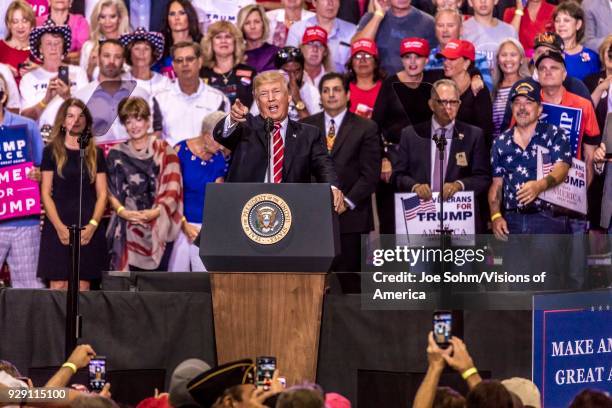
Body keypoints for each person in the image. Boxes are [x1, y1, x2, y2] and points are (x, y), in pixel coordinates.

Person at [213, 70, 344, 211]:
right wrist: (232, 119)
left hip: (292, 211)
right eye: (264, 94)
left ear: (288, 97)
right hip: (245, 209)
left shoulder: (308, 134)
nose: (271, 98)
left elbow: (324, 167)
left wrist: (332, 188)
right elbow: (221, 135)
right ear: (257, 101)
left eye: (276, 92)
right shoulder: (245, 126)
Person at [489, 78, 571, 288]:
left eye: (529, 102)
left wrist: (540, 185)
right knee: (517, 289)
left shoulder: (554, 134)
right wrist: (496, 216)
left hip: (548, 219)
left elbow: (562, 169)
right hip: (513, 222)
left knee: (550, 285)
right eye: (517, 103)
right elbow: (496, 185)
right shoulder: (500, 142)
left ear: (539, 107)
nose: (522, 108)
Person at [302, 72, 380, 282]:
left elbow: (370, 175)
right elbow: (301, 170)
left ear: (347, 94)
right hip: (313, 218)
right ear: (320, 97)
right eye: (326, 90)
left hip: (352, 220)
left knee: (350, 284)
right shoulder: (306, 127)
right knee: (314, 283)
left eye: (336, 90)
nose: (331, 95)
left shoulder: (366, 127)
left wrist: (346, 202)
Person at [393, 79, 491, 231]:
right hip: (421, 221)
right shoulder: (410, 135)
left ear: (459, 104)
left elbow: (483, 177)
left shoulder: (474, 135)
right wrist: (415, 186)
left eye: (453, 102)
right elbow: (398, 176)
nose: (448, 107)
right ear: (431, 105)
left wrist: (459, 185)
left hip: (460, 222)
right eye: (443, 102)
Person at [38, 98, 108, 290]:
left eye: (80, 116)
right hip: (57, 225)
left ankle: (78, 323)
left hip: (87, 226)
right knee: (58, 285)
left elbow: (102, 194)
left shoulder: (96, 153)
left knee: (82, 287)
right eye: (70, 116)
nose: (75, 120)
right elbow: (45, 193)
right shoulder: (51, 151)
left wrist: (92, 226)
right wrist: (60, 227)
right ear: (63, 120)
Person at [106, 97, 183, 272]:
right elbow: (110, 192)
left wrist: (154, 212)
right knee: (127, 291)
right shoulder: (115, 154)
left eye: (139, 119)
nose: (134, 126)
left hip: (159, 227)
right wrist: (124, 212)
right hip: (126, 229)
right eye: (128, 121)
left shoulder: (165, 150)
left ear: (148, 121)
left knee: (156, 289)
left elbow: (173, 189)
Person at [168, 111, 228, 272]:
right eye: (219, 141)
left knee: (204, 278)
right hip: (180, 224)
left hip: (206, 229)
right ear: (207, 136)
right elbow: (171, 194)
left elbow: (218, 197)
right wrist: (183, 223)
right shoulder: (180, 151)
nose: (222, 146)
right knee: (176, 279)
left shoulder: (219, 158)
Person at [0, 73, 44, 288]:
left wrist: (38, 174)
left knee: (30, 289)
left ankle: (32, 324)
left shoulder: (27, 126)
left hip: (24, 221)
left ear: (4, 96)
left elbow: (43, 169)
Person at [73, 39, 157, 150]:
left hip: (134, 160)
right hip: (96, 161)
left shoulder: (140, 94)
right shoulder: (81, 97)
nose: (111, 61)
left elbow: (151, 134)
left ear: (123, 61)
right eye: (106, 56)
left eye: (117, 57)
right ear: (98, 59)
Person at [155, 41, 230, 148]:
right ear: (174, 66)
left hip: (208, 162)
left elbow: (226, 140)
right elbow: (154, 139)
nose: (185, 64)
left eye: (190, 59)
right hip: (171, 162)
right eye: (179, 60)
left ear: (200, 62)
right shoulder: (159, 98)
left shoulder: (218, 99)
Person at [20, 22, 88, 127]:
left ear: (63, 47)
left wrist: (67, 97)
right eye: (48, 43)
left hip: (73, 135)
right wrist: (46, 100)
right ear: (40, 49)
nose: (53, 47)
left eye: (57, 43)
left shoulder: (78, 73)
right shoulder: (29, 79)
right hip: (43, 137)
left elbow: (88, 113)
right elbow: (24, 119)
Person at [353, 0, 436, 76]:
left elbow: (434, 61)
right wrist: (378, 16)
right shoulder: (371, 18)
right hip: (377, 84)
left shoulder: (428, 23)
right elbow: (357, 47)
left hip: (412, 85)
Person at [437, 39, 494, 148]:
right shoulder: (439, 82)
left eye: (452, 58)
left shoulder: (479, 90)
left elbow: (485, 132)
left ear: (466, 63)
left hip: (472, 153)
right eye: (445, 58)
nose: (445, 62)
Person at [426, 8, 492, 90]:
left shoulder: (478, 59)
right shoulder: (427, 58)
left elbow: (487, 92)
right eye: (440, 25)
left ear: (461, 30)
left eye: (450, 25)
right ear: (435, 30)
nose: (445, 30)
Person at [286, 0, 357, 73]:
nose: (330, 3)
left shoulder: (353, 31)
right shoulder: (298, 29)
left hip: (342, 81)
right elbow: (290, 64)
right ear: (314, 3)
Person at [200, 21, 257, 108]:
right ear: (210, 43)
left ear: (235, 42)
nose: (223, 41)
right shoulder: (201, 73)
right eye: (218, 37)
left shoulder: (250, 72)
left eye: (228, 36)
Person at [462, 0, 517, 76]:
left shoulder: (510, 31)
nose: (483, 1)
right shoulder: (462, 30)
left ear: (495, 1)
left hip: (504, 86)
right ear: (470, 2)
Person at [79, 0, 130, 81]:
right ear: (98, 19)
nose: (107, 22)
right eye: (102, 17)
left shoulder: (129, 46)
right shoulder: (88, 47)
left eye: (112, 16)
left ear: (120, 18)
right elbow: (82, 83)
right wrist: (91, 67)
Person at [492, 38, 530, 138]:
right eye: (504, 55)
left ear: (521, 59)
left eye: (513, 55)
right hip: (494, 148)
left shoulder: (529, 86)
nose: (508, 59)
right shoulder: (492, 89)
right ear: (498, 60)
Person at [553, 1, 600, 81]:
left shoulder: (592, 57)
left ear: (578, 24)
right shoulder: (547, 53)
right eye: (557, 21)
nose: (561, 24)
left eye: (566, 20)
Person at [119, 27, 171, 98]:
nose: (141, 53)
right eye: (137, 49)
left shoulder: (164, 83)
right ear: (129, 54)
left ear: (153, 54)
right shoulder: (120, 81)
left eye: (146, 49)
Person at [272, 46, 321, 120]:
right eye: (286, 72)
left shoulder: (314, 93)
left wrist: (297, 99)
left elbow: (314, 129)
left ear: (303, 70)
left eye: (297, 71)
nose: (292, 77)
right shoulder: (268, 91)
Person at [157, 0, 202, 79]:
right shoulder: (159, 45)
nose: (177, 18)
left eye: (182, 13)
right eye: (172, 14)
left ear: (190, 16)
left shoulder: (203, 44)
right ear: (167, 19)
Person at [346, 38, 384, 119]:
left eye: (367, 55)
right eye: (358, 56)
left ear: (375, 62)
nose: (362, 60)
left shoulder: (387, 89)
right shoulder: (342, 88)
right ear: (351, 63)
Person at [0, 0, 36, 85]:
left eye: (25, 21)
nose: (20, 26)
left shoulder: (41, 50)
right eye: (15, 22)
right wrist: (3, 70)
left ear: (32, 24)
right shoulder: (1, 47)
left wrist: (38, 70)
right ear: (9, 24)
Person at [238, 4, 279, 73]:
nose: (252, 26)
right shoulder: (237, 55)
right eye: (247, 23)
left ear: (263, 24)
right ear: (242, 27)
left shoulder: (276, 53)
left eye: (257, 22)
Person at [584, 35, 612, 132]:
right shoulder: (590, 80)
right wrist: (600, 88)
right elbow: (585, 113)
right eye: (609, 51)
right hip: (596, 137)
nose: (610, 55)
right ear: (603, 53)